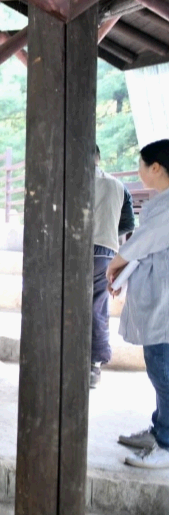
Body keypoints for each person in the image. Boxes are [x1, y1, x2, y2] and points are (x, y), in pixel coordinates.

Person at [106, 139, 169, 470]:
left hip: (164, 303)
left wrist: (115, 263)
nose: (140, 169)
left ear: (156, 168)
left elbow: (143, 243)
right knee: (160, 368)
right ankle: (160, 429)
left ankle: (167, 443)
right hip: (158, 298)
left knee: (163, 372)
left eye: (142, 164)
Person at [90, 145, 136, 388]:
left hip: (72, 250)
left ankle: (62, 361)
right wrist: (108, 234)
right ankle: (94, 366)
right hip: (105, 252)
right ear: (99, 157)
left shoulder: (69, 180)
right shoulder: (118, 185)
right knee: (97, 307)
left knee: (64, 305)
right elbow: (128, 222)